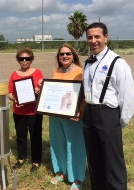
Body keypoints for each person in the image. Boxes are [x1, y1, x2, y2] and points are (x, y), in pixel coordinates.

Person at [83, 22, 134, 190]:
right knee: (94, 159)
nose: (93, 41)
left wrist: (118, 122)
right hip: (90, 114)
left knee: (113, 162)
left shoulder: (117, 62)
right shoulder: (87, 63)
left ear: (106, 37)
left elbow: (128, 98)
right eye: (90, 37)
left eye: (97, 36)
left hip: (107, 113)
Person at [49, 44, 86, 190]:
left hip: (73, 116)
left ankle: (76, 178)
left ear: (73, 55)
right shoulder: (56, 71)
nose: (64, 56)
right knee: (57, 143)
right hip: (56, 115)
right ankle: (61, 171)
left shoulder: (81, 71)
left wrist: (81, 111)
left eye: (68, 54)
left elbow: (85, 95)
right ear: (58, 57)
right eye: (61, 54)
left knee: (75, 145)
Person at [8, 47, 43, 173]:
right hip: (19, 111)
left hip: (34, 111)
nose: (24, 61)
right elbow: (10, 92)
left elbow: (41, 87)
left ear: (31, 59)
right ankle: (21, 158)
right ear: (18, 60)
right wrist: (15, 100)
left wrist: (39, 89)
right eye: (21, 59)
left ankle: (36, 161)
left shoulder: (37, 72)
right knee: (21, 136)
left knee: (35, 136)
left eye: (27, 58)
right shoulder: (14, 74)